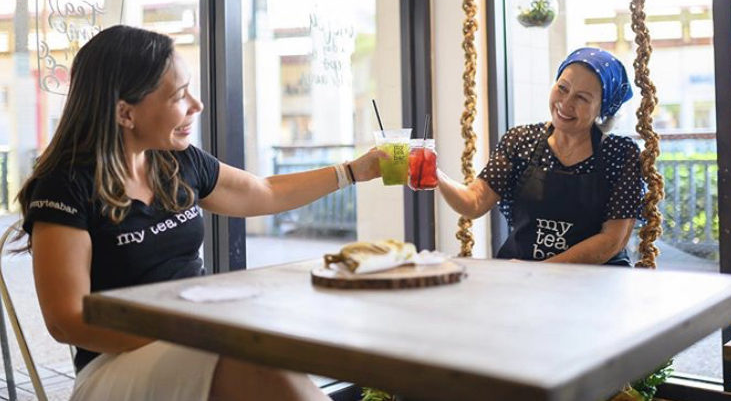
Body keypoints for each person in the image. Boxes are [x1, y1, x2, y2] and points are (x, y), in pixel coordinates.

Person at [15, 25, 388, 401]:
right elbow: (66, 320)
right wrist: (193, 329)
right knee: (250, 356)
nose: (197, 105)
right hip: (112, 366)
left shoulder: (176, 161)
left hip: (198, 342)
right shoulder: (65, 186)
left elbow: (266, 192)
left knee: (265, 348)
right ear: (125, 113)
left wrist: (353, 171)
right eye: (179, 95)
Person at [438, 47, 643, 266]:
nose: (566, 103)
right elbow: (475, 202)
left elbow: (612, 240)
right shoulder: (521, 140)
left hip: (592, 280)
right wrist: (434, 174)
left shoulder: (620, 154)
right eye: (562, 88)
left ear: (603, 108)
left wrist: (541, 271)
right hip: (522, 274)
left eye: (582, 98)